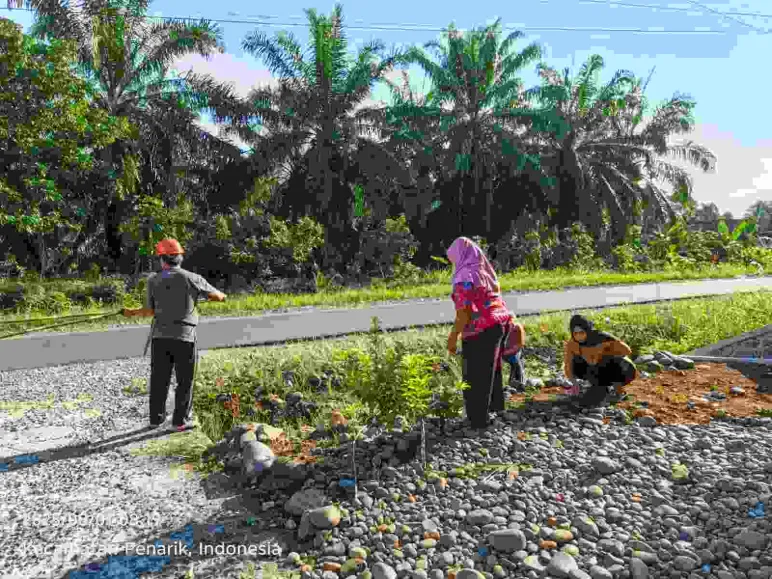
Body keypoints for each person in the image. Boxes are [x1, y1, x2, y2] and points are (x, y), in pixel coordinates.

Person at [123, 238, 226, 430]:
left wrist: (131, 312)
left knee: (159, 379)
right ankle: (179, 422)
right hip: (185, 336)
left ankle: (156, 420)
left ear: (161, 259)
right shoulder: (192, 278)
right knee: (185, 381)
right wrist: (210, 297)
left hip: (160, 337)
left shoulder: (153, 279)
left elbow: (149, 311)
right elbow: (219, 296)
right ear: (180, 258)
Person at [446, 237, 514, 429]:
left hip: (480, 329)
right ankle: (496, 408)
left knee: (475, 374)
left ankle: (478, 420)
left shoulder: (464, 277)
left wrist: (453, 337)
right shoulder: (484, 271)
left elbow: (464, 313)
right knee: (492, 369)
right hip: (499, 324)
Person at [563, 314, 637, 407]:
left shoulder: (601, 337)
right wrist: (574, 383)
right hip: (596, 370)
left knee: (608, 362)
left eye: (581, 333)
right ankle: (599, 387)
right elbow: (568, 365)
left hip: (623, 370)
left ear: (587, 330)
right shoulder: (572, 344)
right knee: (577, 362)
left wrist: (603, 349)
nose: (579, 336)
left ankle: (619, 392)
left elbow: (627, 350)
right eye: (575, 334)